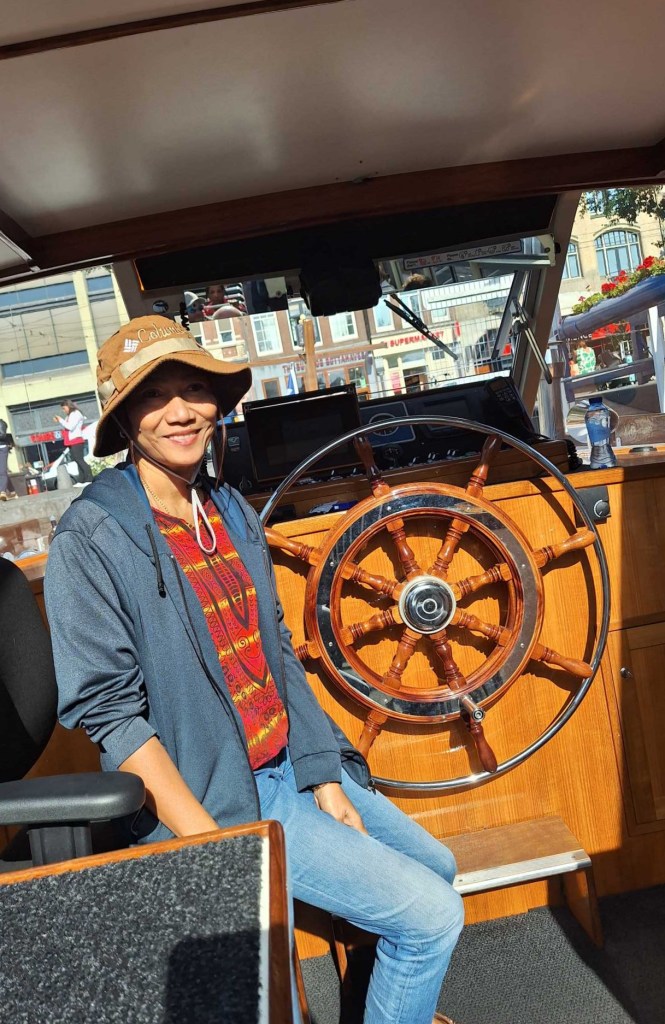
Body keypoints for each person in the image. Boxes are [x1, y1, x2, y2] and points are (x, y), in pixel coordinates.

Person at [45, 316, 463, 1024]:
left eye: (194, 390)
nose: (181, 411)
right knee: (432, 919)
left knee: (437, 869)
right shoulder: (90, 539)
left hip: (288, 769)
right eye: (155, 396)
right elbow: (111, 716)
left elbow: (276, 653)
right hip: (224, 799)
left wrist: (324, 775)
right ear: (124, 420)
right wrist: (218, 848)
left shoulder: (228, 509)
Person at [54, 399, 93, 484]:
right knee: (76, 460)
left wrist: (61, 420)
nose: (64, 411)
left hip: (76, 440)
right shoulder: (69, 416)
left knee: (79, 459)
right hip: (71, 441)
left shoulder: (75, 414)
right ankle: (82, 478)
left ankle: (89, 477)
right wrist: (61, 421)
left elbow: (70, 426)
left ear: (68, 406)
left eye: (64, 408)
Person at [0, 419, 18, 500]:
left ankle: (2, 492)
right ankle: (12, 492)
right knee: (2, 471)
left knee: (2, 471)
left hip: (1, 448)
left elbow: (2, 435)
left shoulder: (1, 423)